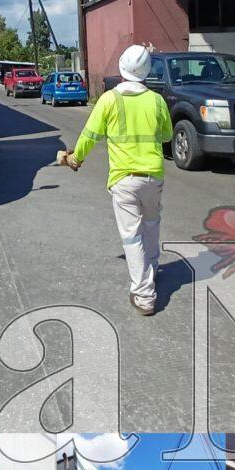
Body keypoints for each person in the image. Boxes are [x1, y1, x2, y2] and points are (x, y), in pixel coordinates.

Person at [59, 44, 173, 316]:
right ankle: (152, 269)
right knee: (152, 224)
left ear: (122, 69)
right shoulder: (156, 100)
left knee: (132, 237)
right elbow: (167, 135)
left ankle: (144, 295)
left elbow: (90, 135)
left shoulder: (109, 99)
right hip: (153, 176)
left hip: (124, 178)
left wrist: (76, 159)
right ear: (146, 72)